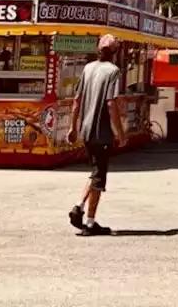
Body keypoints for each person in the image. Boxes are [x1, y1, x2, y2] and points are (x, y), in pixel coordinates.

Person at [67, 34, 127, 236]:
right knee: (99, 176)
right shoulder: (114, 72)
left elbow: (77, 100)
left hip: (85, 129)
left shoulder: (88, 68)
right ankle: (89, 221)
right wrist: (120, 133)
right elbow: (111, 104)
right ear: (116, 53)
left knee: (95, 171)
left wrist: (72, 127)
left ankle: (81, 210)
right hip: (102, 132)